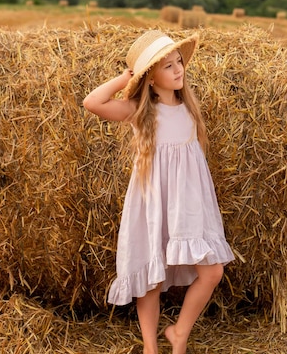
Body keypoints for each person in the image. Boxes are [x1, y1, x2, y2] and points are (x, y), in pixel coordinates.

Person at [83, 29, 235, 354]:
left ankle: (179, 332)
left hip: (189, 205)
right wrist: (127, 76)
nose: (178, 69)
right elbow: (92, 103)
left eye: (179, 62)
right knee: (151, 276)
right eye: (167, 66)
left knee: (212, 271)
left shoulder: (189, 108)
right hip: (152, 203)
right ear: (150, 77)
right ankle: (150, 347)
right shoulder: (140, 111)